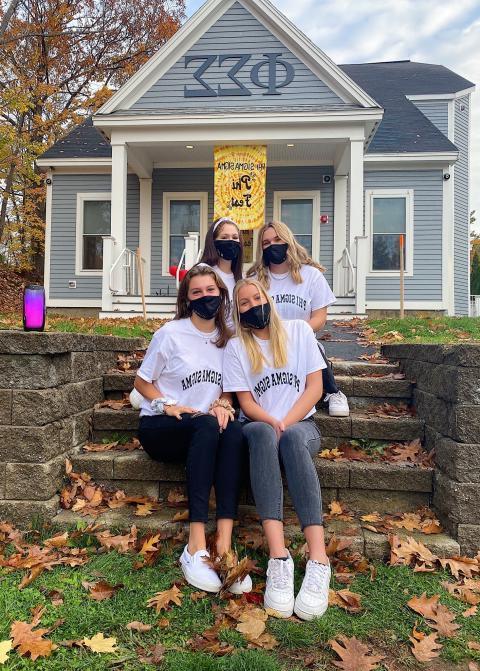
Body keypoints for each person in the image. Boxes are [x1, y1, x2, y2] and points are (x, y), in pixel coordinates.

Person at [133, 264, 251, 595]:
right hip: (162, 427)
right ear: (187, 298)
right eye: (196, 292)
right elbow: (141, 382)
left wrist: (225, 404)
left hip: (205, 428)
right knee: (206, 425)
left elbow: (229, 387)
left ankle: (224, 545)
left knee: (233, 431)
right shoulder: (170, 333)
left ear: (221, 294)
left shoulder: (229, 340)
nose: (204, 297)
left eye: (210, 291)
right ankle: (195, 544)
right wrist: (165, 404)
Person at [223, 279, 331, 621]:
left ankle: (318, 559)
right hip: (260, 424)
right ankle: (279, 557)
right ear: (238, 312)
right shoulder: (237, 347)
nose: (253, 304)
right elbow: (245, 403)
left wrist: (286, 423)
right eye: (244, 302)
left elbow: (315, 389)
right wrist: (273, 421)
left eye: (257, 298)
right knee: (261, 433)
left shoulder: (299, 332)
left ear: (268, 298)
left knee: (293, 438)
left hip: (302, 426)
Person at [247, 220, 349, 417]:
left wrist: (294, 334)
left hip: (301, 342)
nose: (272, 245)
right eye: (266, 243)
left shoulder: (311, 276)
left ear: (288, 241)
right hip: (264, 343)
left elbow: (320, 318)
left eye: (277, 240)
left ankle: (333, 392)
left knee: (308, 339)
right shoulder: (255, 279)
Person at [200, 216, 244, 325]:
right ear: (213, 241)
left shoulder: (241, 277)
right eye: (224, 237)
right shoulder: (203, 272)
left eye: (235, 237)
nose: (230, 241)